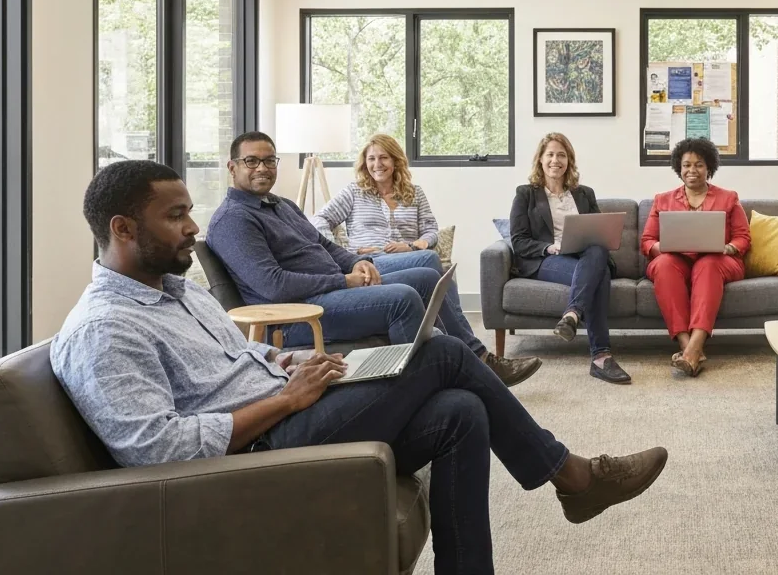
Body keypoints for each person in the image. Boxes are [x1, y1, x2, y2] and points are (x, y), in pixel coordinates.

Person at [52, 160, 669, 575]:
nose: (193, 228)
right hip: (258, 451)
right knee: (448, 354)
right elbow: (158, 451)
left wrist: (294, 360)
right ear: (123, 228)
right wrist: (286, 400)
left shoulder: (175, 292)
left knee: (461, 409)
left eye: (190, 210)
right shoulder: (105, 329)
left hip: (293, 402)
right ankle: (573, 477)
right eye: (176, 216)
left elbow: (243, 355)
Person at [206, 131, 541, 387]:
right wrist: (345, 278)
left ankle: (472, 356)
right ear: (232, 166)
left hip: (335, 288)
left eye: (269, 161)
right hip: (298, 313)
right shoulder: (235, 219)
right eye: (252, 161)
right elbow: (273, 286)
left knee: (428, 274)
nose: (262, 168)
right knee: (403, 298)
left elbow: (323, 244)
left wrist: (352, 262)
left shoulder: (280, 205)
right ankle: (431, 381)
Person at [509, 133, 630, 384]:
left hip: (585, 255)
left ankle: (572, 314)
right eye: (550, 154)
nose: (556, 160)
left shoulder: (584, 194)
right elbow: (519, 241)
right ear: (540, 160)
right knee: (599, 274)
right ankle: (601, 357)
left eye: (561, 155)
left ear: (569, 160)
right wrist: (548, 248)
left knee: (597, 253)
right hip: (548, 259)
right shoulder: (525, 194)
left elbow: (600, 232)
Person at [642, 137, 749, 377]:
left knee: (708, 263)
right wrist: (667, 247)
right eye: (687, 165)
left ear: (709, 167)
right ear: (678, 169)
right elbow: (647, 241)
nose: (692, 170)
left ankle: (693, 348)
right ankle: (689, 348)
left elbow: (743, 237)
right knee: (665, 264)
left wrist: (728, 248)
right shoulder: (663, 200)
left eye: (699, 164)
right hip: (676, 260)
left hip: (718, 260)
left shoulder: (728, 198)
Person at [312, 133, 440, 268]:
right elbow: (320, 219)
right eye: (371, 159)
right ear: (365, 163)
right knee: (431, 260)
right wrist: (342, 253)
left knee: (435, 269)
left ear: (395, 161)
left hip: (409, 259)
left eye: (384, 157)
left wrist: (412, 246)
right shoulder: (354, 192)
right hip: (369, 262)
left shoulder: (415, 193)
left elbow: (431, 230)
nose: (377, 164)